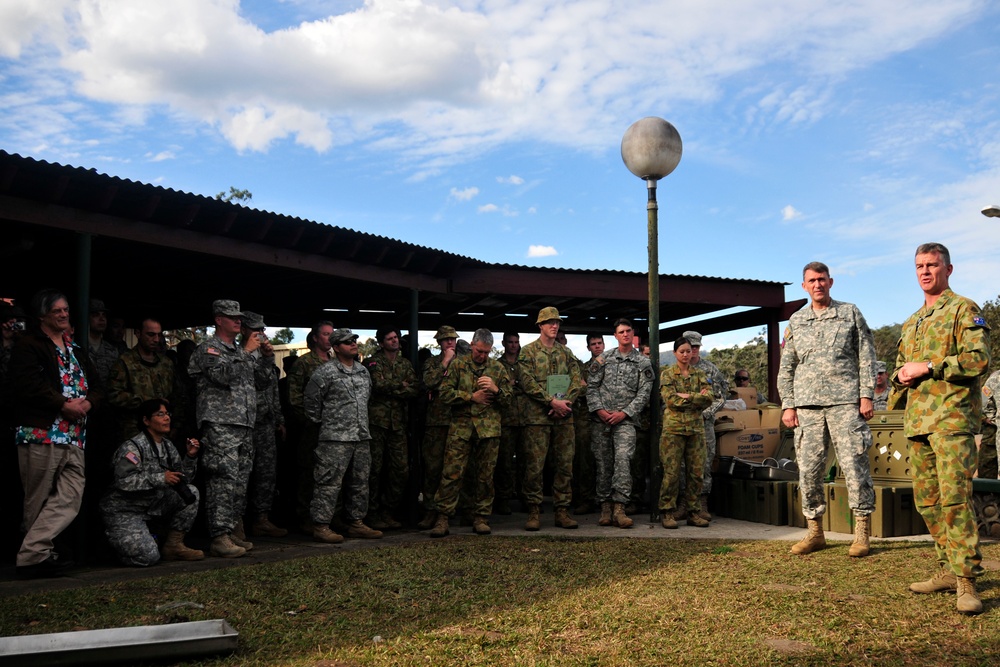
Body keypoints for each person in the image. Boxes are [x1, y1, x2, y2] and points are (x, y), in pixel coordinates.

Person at [893, 242, 990, 614]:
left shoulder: (964, 308)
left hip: (951, 420)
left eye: (932, 265)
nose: (925, 271)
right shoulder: (911, 321)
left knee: (955, 500)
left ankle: (967, 580)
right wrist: (902, 375)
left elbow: (977, 358)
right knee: (928, 502)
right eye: (919, 265)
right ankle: (948, 569)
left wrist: (930, 366)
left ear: (948, 269)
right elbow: (904, 367)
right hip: (918, 423)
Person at [778, 261, 877, 558]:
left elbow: (866, 356)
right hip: (807, 406)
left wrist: (866, 395)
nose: (818, 284)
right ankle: (815, 532)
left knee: (854, 466)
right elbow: (787, 366)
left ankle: (861, 534)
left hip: (846, 402)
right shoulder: (796, 320)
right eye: (812, 280)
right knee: (808, 470)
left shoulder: (849, 313)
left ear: (831, 282)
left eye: (822, 279)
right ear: (804, 286)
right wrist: (788, 404)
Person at [7, 289, 102, 578]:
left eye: (66, 310)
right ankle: (36, 557)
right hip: (41, 433)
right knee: (37, 499)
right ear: (42, 316)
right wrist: (62, 404)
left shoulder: (75, 349)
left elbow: (98, 386)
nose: (64, 314)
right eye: (57, 311)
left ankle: (32, 553)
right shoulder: (29, 345)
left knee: (71, 495)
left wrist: (87, 402)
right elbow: (27, 385)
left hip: (74, 436)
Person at [187, 299, 276, 558]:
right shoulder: (209, 349)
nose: (239, 321)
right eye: (232, 317)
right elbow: (223, 376)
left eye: (239, 317)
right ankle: (219, 536)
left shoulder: (239, 351)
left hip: (245, 424)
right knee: (221, 481)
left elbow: (260, 382)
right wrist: (246, 353)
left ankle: (234, 531)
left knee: (239, 482)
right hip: (220, 425)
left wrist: (267, 359)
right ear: (218, 319)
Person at [101, 399, 204, 566]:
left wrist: (190, 457)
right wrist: (161, 478)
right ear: (146, 420)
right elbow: (124, 482)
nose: (167, 418)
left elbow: (183, 480)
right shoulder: (132, 447)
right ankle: (117, 543)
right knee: (148, 557)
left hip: (152, 506)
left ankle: (173, 545)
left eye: (168, 414)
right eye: (160, 414)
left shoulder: (168, 446)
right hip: (126, 510)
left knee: (191, 492)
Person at [429, 328, 511, 537]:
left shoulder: (498, 368)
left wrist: (496, 389)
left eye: (486, 352)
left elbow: (509, 400)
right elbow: (444, 394)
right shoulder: (458, 365)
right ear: (472, 345)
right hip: (462, 429)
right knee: (452, 474)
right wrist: (469, 397)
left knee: (485, 476)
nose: (482, 356)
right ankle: (443, 517)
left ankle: (481, 517)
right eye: (479, 351)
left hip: (488, 431)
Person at [303, 328, 382, 543]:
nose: (353, 344)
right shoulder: (325, 372)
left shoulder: (363, 371)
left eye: (354, 341)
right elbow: (311, 403)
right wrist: (326, 424)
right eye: (347, 342)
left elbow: (368, 400)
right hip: (335, 438)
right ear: (336, 348)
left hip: (361, 436)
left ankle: (356, 523)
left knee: (360, 482)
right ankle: (320, 525)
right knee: (328, 483)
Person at [517, 307, 583, 531]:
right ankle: (534, 511)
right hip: (537, 419)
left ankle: (562, 510)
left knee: (564, 464)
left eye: (557, 322)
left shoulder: (566, 352)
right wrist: (550, 401)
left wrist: (565, 403)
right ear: (540, 326)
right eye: (550, 322)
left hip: (564, 417)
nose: (554, 326)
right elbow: (526, 382)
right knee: (534, 466)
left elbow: (577, 379)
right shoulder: (527, 352)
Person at [587, 318, 653, 528]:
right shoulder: (603, 359)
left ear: (632, 334)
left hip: (626, 421)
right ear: (615, 335)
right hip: (601, 420)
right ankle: (605, 507)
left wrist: (625, 413)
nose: (625, 334)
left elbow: (645, 393)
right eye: (621, 331)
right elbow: (591, 387)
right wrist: (600, 410)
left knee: (623, 461)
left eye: (628, 331)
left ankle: (620, 507)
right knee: (603, 462)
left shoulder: (642, 362)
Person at [365, 327, 419, 529]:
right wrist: (401, 385)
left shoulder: (405, 363)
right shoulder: (372, 362)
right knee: (374, 470)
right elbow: (377, 385)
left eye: (396, 337)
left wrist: (395, 386)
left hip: (398, 425)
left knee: (401, 470)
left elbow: (414, 389)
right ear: (381, 343)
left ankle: (387, 511)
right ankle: (371, 513)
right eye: (389, 339)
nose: (394, 341)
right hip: (377, 424)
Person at [241, 312, 288, 538]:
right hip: (244, 424)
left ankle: (262, 519)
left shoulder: (265, 357)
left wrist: (279, 419)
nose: (261, 334)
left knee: (266, 473)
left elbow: (272, 390)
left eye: (262, 330)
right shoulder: (240, 355)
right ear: (243, 330)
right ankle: (236, 522)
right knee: (241, 475)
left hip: (266, 423)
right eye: (255, 330)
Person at [658, 337, 713, 529]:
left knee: (696, 473)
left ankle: (693, 512)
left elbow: (709, 398)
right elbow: (671, 400)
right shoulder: (667, 375)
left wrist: (688, 396)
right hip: (673, 430)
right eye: (681, 351)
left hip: (696, 430)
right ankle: (667, 511)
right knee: (671, 473)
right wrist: (697, 398)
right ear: (675, 353)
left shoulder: (700, 374)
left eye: (688, 351)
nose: (685, 354)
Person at [287, 322, 334, 532]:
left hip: (333, 428)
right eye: (325, 334)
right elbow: (294, 396)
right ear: (315, 338)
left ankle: (329, 516)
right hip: (311, 428)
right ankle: (304, 517)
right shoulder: (304, 363)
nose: (329, 338)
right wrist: (307, 419)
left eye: (331, 334)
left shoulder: (335, 362)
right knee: (308, 471)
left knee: (330, 473)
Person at [681, 331, 728, 522]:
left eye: (695, 347)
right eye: (688, 347)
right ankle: (684, 504)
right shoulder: (675, 370)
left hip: (703, 425)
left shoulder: (710, 370)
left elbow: (720, 397)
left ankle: (701, 503)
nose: (692, 351)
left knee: (704, 464)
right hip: (682, 424)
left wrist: (705, 413)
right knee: (682, 464)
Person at [106, 317, 175, 442]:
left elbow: (177, 396)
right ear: (138, 334)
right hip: (134, 432)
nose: (156, 339)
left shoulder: (166, 363)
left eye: (159, 335)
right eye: (151, 334)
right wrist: (146, 401)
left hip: (163, 433)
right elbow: (113, 395)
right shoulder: (125, 362)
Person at [417, 325, 459, 529]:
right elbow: (429, 382)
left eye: (452, 339)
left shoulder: (464, 363)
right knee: (433, 468)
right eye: (445, 340)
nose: (450, 342)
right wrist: (444, 362)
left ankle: (452, 511)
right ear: (439, 343)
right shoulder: (432, 363)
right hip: (435, 423)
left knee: (454, 470)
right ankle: (430, 510)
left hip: (457, 422)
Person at [571, 333, 603, 515]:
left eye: (599, 343)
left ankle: (606, 499)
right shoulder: (583, 368)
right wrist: (589, 388)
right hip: (585, 419)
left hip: (608, 418)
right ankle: (585, 499)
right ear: (588, 347)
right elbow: (578, 388)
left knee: (607, 461)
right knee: (584, 460)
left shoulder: (612, 365)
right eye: (593, 344)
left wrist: (588, 387)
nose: (597, 346)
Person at [495, 331, 524, 514]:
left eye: (516, 342)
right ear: (504, 343)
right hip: (506, 420)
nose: (513, 345)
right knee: (504, 462)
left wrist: (515, 384)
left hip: (526, 419)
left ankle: (525, 498)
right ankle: (503, 499)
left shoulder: (525, 363)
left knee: (526, 462)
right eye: (510, 342)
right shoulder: (497, 365)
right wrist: (510, 385)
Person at [87, 299, 120, 385]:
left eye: (104, 315)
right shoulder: (78, 348)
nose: (101, 319)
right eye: (96, 315)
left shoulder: (112, 351)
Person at [980, 369, 1000, 479]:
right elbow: (983, 402)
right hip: (993, 431)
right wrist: (993, 419)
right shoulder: (995, 378)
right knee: (986, 469)